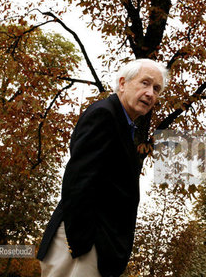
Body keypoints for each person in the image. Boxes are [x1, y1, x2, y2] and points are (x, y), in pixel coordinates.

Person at [36, 58, 168, 277]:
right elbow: (79, 180)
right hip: (80, 247)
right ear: (123, 83)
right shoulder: (105, 115)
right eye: (145, 83)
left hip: (92, 247)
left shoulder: (124, 124)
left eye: (156, 88)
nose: (150, 93)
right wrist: (82, 245)